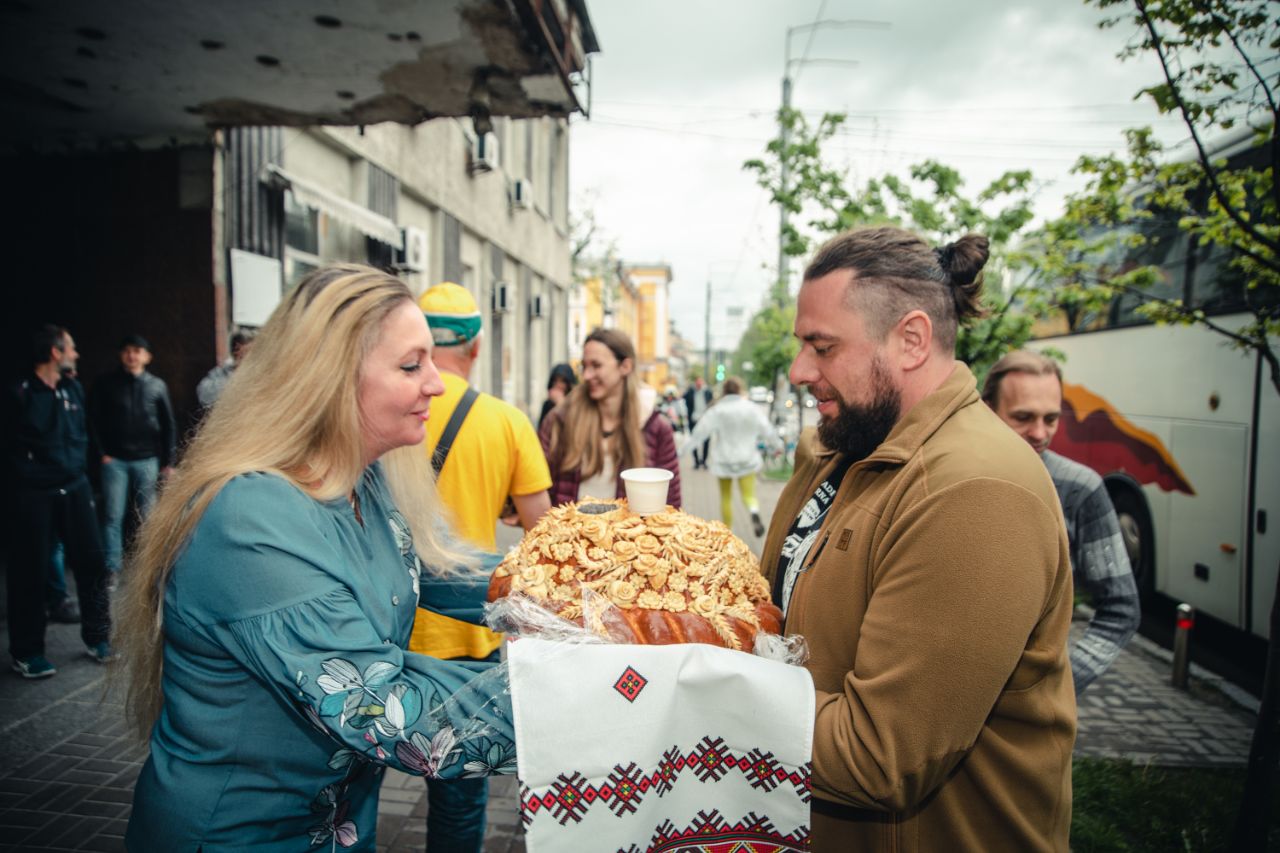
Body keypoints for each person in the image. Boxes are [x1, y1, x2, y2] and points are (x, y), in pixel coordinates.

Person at [116, 265, 515, 850]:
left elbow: (436, 569)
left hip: (337, 828)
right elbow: (386, 711)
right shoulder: (249, 518)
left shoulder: (363, 481)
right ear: (329, 379)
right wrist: (583, 698)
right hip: (239, 836)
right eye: (411, 365)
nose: (436, 383)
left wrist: (581, 591)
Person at [760, 226, 1075, 851]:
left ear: (911, 340)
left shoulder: (976, 490)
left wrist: (701, 684)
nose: (800, 371)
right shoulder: (843, 448)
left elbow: (878, 758)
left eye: (823, 347)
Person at [411, 282, 552, 852]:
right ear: (476, 346)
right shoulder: (506, 422)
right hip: (469, 630)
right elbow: (543, 537)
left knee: (351, 790)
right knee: (459, 797)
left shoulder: (382, 409)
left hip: (386, 626)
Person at [983, 349, 1141, 694]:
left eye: (1051, 419)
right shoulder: (955, 476)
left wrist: (1061, 686)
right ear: (988, 410)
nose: (1040, 432)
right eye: (1023, 417)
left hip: (1026, 716)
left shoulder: (1081, 488)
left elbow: (1120, 608)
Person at [3, 326, 113, 677]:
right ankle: (27, 652)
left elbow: (83, 432)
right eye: (71, 348)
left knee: (93, 562)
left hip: (75, 487)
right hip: (33, 493)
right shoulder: (18, 393)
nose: (76, 354)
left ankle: (98, 637)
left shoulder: (72, 388)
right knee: (29, 571)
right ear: (55, 352)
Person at [540, 328, 682, 508]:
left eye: (596, 365)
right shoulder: (560, 420)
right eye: (584, 366)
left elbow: (671, 506)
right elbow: (536, 485)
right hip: (567, 527)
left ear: (625, 366)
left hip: (631, 528)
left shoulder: (656, 428)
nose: (586, 375)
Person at [88, 334, 176, 576]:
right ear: (120, 354)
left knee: (147, 515)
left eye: (137, 351)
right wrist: (101, 454)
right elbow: (92, 420)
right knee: (113, 515)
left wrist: (169, 461)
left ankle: (148, 567)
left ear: (147, 357)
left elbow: (168, 425)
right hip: (114, 460)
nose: (131, 355)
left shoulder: (156, 385)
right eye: (127, 350)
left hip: (147, 459)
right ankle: (112, 569)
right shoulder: (106, 383)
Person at [681, 377, 780, 538]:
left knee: (726, 497)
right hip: (747, 459)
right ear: (739, 390)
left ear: (724, 391)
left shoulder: (718, 410)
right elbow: (767, 430)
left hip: (724, 460)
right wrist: (778, 446)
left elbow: (699, 434)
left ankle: (728, 532)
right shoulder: (751, 408)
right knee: (749, 495)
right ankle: (753, 510)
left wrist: (680, 452)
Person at [196, 328, 255, 408]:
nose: (248, 357)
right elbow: (203, 395)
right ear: (235, 352)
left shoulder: (260, 373)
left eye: (251, 352)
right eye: (244, 353)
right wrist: (235, 376)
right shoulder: (221, 373)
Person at [683, 376, 712, 468]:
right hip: (694, 420)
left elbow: (711, 403)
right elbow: (684, 399)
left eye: (701, 382)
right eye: (697, 382)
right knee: (694, 441)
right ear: (695, 383)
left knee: (706, 441)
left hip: (705, 420)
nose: (699, 384)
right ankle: (696, 461)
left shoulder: (707, 392)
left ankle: (704, 461)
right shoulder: (690, 392)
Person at [537, 362, 577, 430]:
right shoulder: (547, 404)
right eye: (555, 381)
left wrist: (561, 404)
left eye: (562, 381)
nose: (558, 385)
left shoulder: (576, 404)